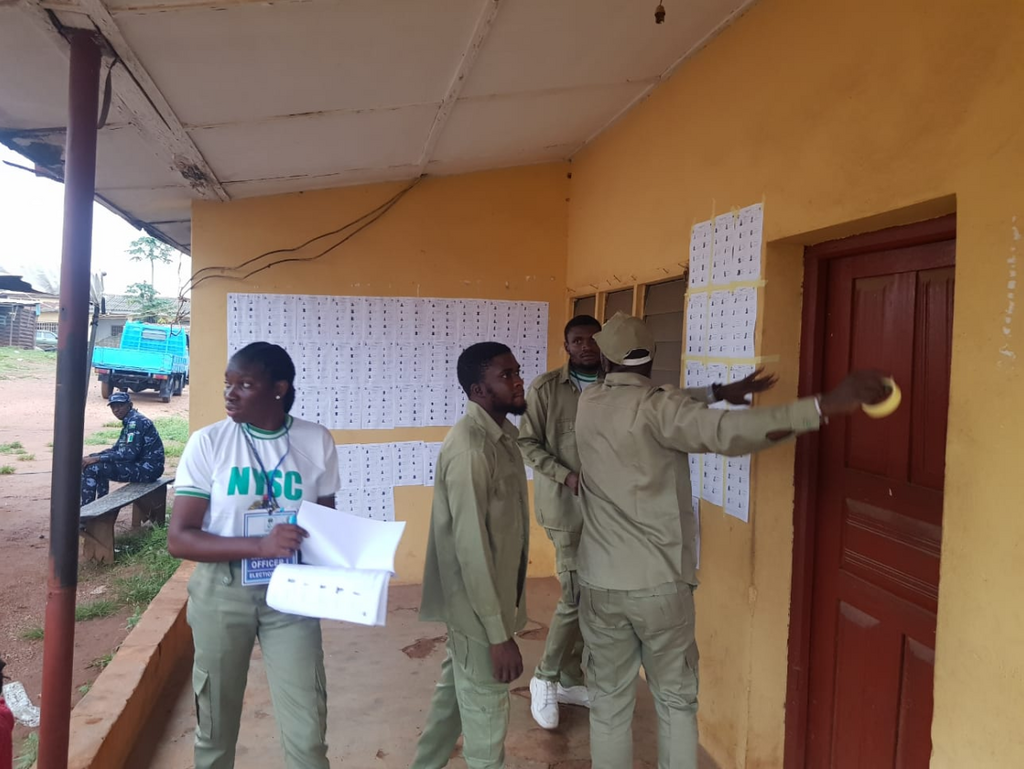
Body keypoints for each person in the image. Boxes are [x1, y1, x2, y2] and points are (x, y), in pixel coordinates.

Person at [574, 312, 890, 769]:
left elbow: (657, 402)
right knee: (676, 703)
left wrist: (719, 393)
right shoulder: (661, 408)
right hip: (659, 585)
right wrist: (823, 405)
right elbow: (726, 433)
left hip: (600, 582)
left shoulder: (591, 401)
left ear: (605, 357)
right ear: (651, 358)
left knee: (608, 704)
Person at [518, 314, 775, 730]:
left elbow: (664, 401)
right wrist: (566, 475)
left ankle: (568, 677)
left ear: (607, 348)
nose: (585, 347)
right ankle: (545, 677)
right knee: (577, 597)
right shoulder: (547, 389)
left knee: (601, 600)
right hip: (572, 511)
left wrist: (718, 392)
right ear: (566, 346)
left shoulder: (616, 385)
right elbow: (526, 442)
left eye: (592, 341)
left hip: (618, 516)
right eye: (576, 341)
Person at [167, 342, 340, 769]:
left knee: (308, 732)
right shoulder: (209, 443)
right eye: (228, 384)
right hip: (222, 592)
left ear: (279, 388)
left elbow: (326, 524)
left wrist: (351, 568)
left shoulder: (315, 440)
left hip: (291, 594)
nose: (231, 393)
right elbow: (180, 539)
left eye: (245, 384)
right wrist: (257, 546)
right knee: (215, 728)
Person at [411, 342, 530, 769]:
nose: (518, 381)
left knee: (453, 705)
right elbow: (471, 551)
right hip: (481, 616)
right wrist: (498, 636)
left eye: (517, 371)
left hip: (481, 609)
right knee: (487, 726)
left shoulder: (500, 439)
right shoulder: (472, 450)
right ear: (479, 390)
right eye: (506, 376)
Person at [81, 392, 165, 505]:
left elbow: (128, 454)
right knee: (93, 462)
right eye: (113, 406)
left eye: (120, 406)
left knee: (93, 468)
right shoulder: (130, 420)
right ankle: (99, 504)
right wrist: (95, 456)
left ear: (130, 405)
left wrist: (98, 459)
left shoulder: (136, 422)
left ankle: (86, 511)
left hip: (148, 470)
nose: (116, 410)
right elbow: (117, 449)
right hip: (142, 466)